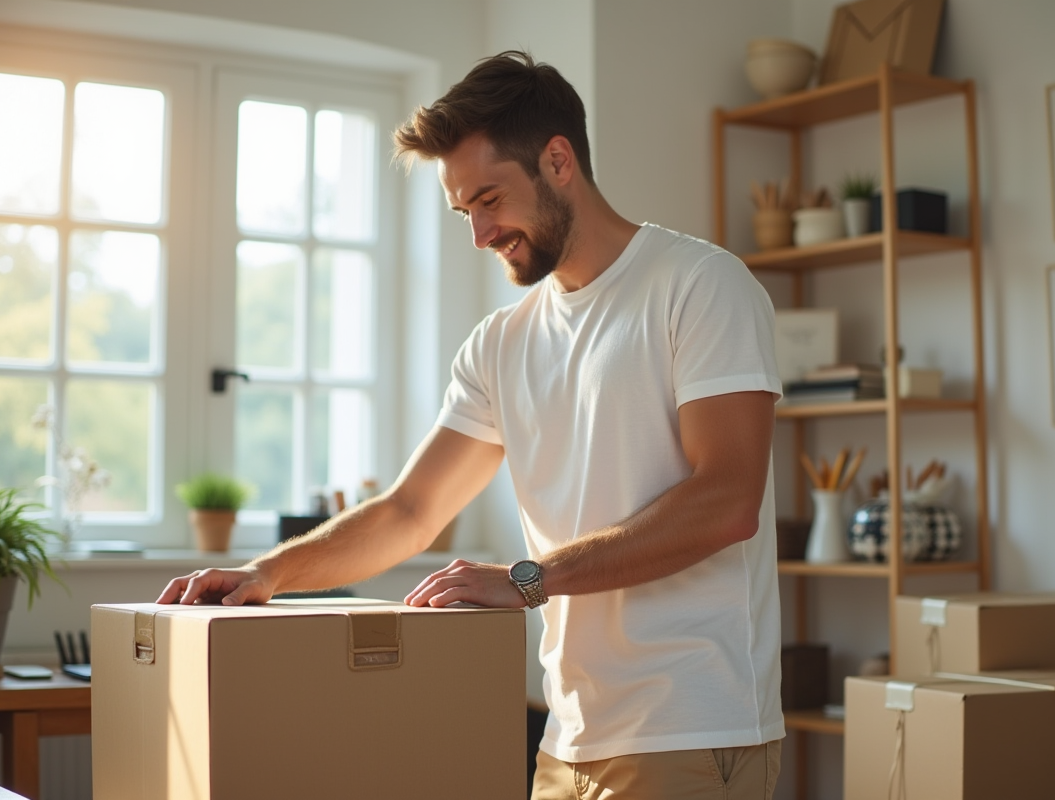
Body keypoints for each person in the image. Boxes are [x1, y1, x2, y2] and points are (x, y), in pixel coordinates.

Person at [158, 50, 784, 799]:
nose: (480, 234)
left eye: (490, 199)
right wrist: (268, 575)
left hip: (692, 729)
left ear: (559, 161)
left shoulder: (700, 286)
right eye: (465, 212)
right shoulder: (501, 342)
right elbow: (411, 510)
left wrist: (527, 579)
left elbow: (727, 500)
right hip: (570, 737)